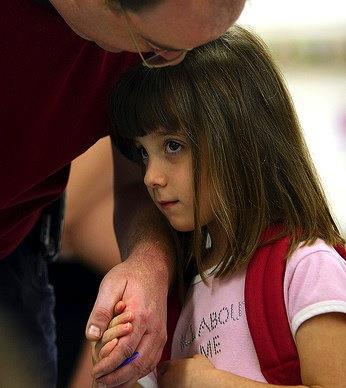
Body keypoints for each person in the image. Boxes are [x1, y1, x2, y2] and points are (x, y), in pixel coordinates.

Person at [0, 0, 246, 386]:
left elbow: (135, 182)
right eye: (154, 46)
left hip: (17, 241)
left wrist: (149, 264)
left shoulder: (154, 39)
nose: (172, 62)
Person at [97, 25, 346, 387]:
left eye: (172, 146)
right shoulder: (170, 301)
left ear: (241, 139)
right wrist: (112, 373)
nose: (151, 176)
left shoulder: (307, 267)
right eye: (142, 152)